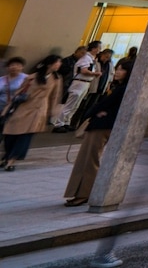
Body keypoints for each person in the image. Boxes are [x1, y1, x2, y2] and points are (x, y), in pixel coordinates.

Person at [63, 58, 131, 206]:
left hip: (102, 127)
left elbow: (104, 106)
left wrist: (100, 110)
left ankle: (84, 193)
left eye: (121, 69)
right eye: (117, 68)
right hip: (99, 125)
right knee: (86, 159)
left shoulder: (123, 89)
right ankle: (80, 192)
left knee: (89, 159)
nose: (117, 72)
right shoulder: (117, 87)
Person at [2, 55, 63, 170]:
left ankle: (12, 160)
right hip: (23, 107)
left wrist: (52, 110)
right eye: (57, 62)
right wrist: (8, 107)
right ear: (49, 64)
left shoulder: (56, 79)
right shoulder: (32, 76)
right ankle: (6, 156)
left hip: (38, 110)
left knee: (25, 136)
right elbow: (19, 92)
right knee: (10, 134)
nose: (59, 65)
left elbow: (55, 96)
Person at [52, 43, 100, 131]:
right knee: (70, 104)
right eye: (98, 48)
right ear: (94, 49)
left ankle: (66, 121)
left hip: (85, 83)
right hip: (79, 82)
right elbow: (83, 70)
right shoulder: (86, 58)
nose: (99, 50)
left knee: (76, 105)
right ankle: (59, 123)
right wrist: (95, 73)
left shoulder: (91, 59)